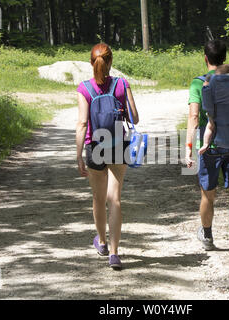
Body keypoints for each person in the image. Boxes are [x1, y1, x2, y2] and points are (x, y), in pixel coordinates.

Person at [185, 40, 229, 263]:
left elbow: (194, 118)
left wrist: (188, 148)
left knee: (208, 193)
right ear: (225, 57)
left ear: (205, 58)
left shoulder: (199, 84)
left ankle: (207, 235)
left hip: (211, 147)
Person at [76, 43, 139, 270]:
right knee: (115, 199)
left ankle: (101, 242)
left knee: (98, 198)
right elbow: (135, 117)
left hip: (95, 146)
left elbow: (83, 122)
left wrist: (78, 155)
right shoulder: (122, 84)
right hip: (117, 144)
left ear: (91, 63)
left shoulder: (84, 88)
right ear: (110, 61)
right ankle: (114, 253)